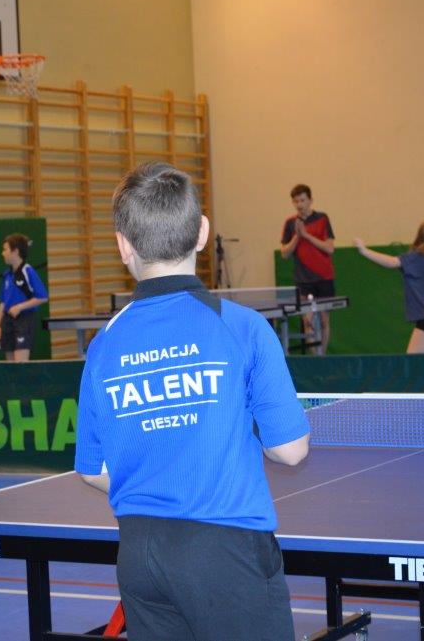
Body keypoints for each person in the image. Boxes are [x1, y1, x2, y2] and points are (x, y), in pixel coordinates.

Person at [76, 163, 310, 641]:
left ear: (123, 246)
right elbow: (290, 450)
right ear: (202, 233)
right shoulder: (243, 326)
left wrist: (157, 479)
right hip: (227, 551)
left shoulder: (104, 344)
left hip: (140, 554)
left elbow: (92, 469)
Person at [354, 219, 424, 353]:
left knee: (413, 360)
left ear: (421, 235)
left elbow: (392, 262)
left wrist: (364, 251)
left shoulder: (418, 257)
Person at [279, 184, 335, 354]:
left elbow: (330, 248)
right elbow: (284, 254)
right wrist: (297, 236)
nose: (299, 204)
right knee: (308, 321)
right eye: (296, 201)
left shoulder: (322, 218)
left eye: (302, 200)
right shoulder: (290, 223)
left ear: (310, 200)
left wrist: (306, 235)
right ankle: (314, 358)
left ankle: (322, 357)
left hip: (324, 278)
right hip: (303, 280)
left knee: (324, 321)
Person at [0, 233, 48, 362]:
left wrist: (20, 307)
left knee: (20, 365)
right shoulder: (7, 274)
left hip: (24, 320)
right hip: (7, 321)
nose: (2, 253)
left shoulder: (28, 271)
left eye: (5, 249)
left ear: (15, 251)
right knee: (10, 366)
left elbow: (43, 297)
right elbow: (3, 302)